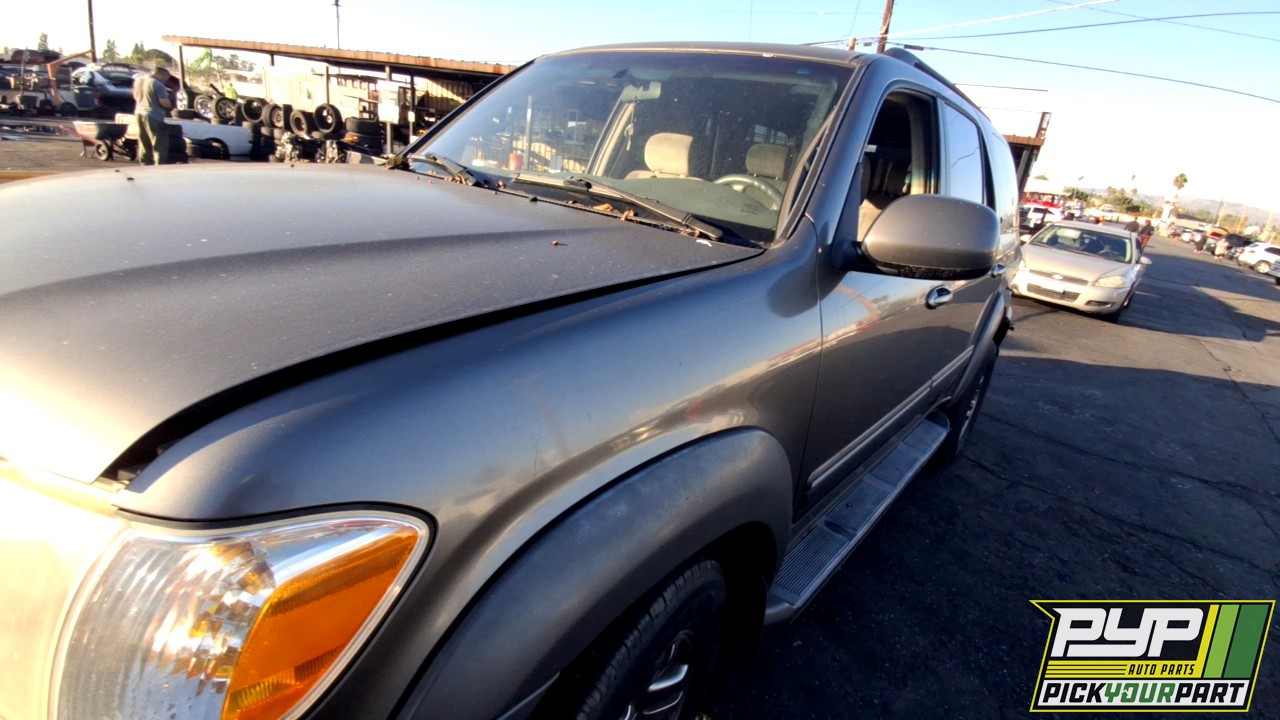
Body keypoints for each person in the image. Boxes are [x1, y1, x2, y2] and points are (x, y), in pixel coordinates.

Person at [132, 67, 173, 165]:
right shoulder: (158, 84)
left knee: (143, 141)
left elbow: (134, 96)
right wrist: (170, 106)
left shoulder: (138, 81)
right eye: (166, 78)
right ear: (161, 74)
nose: (165, 81)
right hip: (153, 116)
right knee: (159, 143)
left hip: (138, 113)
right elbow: (164, 102)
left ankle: (145, 164)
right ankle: (160, 166)